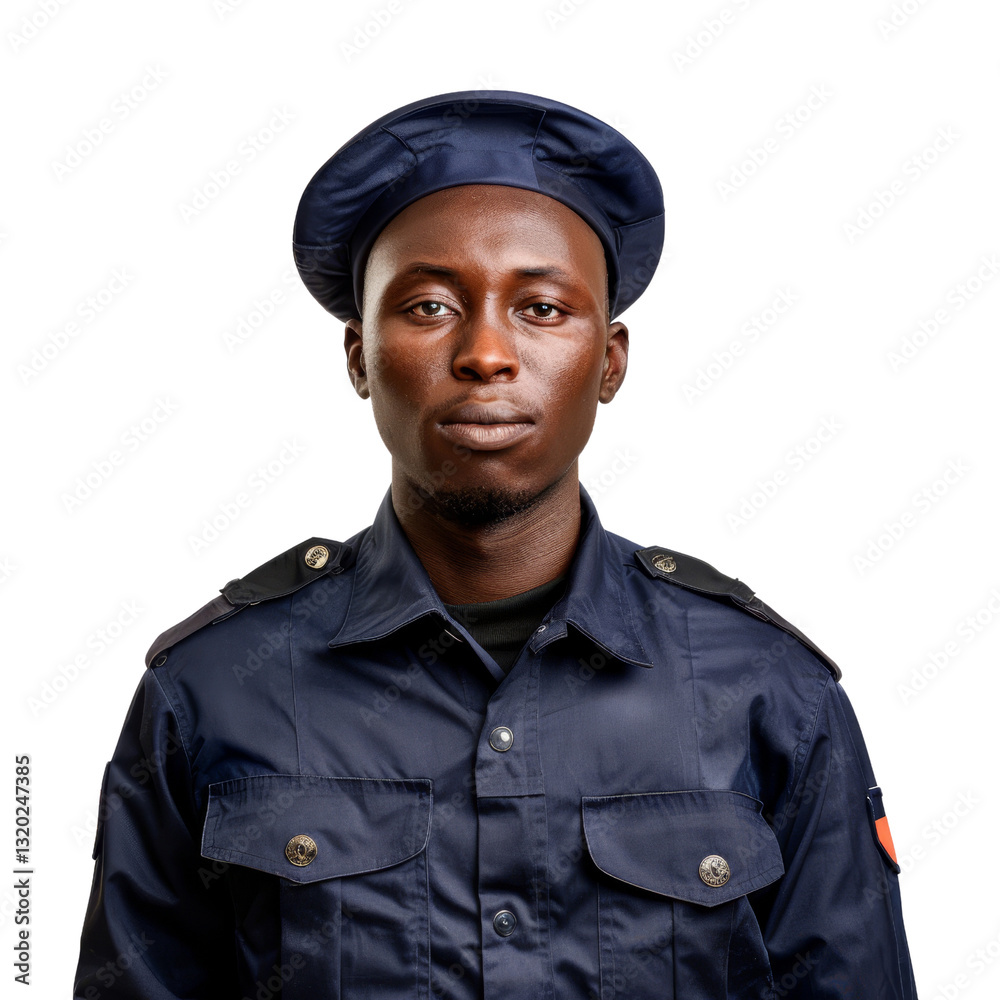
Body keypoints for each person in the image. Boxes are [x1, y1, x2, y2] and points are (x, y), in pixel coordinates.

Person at [74, 90, 918, 999]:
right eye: (430, 306)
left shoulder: (769, 692)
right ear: (359, 357)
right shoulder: (210, 690)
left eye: (542, 308)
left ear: (610, 361)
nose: (485, 353)